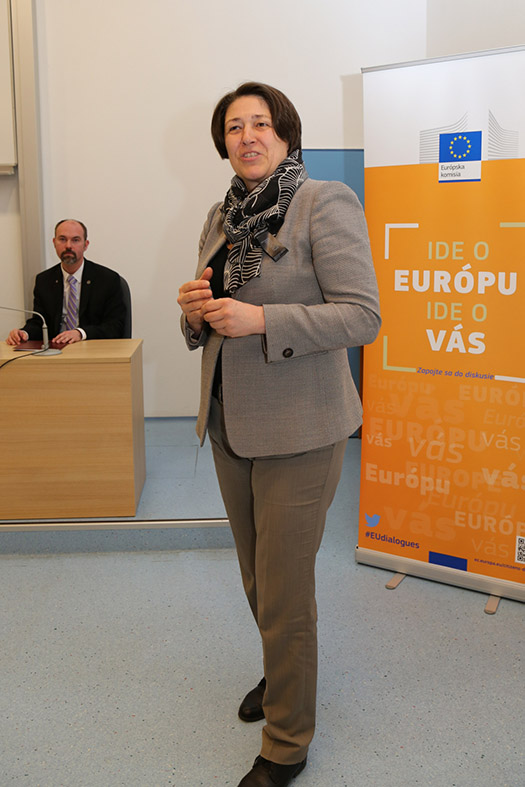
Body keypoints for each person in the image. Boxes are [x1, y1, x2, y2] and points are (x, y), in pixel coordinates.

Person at [177, 82, 381, 787]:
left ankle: (287, 742)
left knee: (286, 590)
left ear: (286, 135)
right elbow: (211, 313)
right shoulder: (220, 214)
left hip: (301, 428)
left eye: (260, 123)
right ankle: (279, 672)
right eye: (234, 126)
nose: (247, 136)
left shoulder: (324, 202)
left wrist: (263, 320)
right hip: (229, 421)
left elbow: (362, 316)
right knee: (258, 576)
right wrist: (194, 313)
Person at [6, 219, 126, 346]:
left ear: (85, 245)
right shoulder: (44, 280)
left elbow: (115, 326)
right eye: (62, 239)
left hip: (93, 349)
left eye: (75, 240)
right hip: (57, 350)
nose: (68, 246)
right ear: (54, 243)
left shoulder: (107, 279)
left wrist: (80, 333)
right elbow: (40, 323)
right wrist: (24, 333)